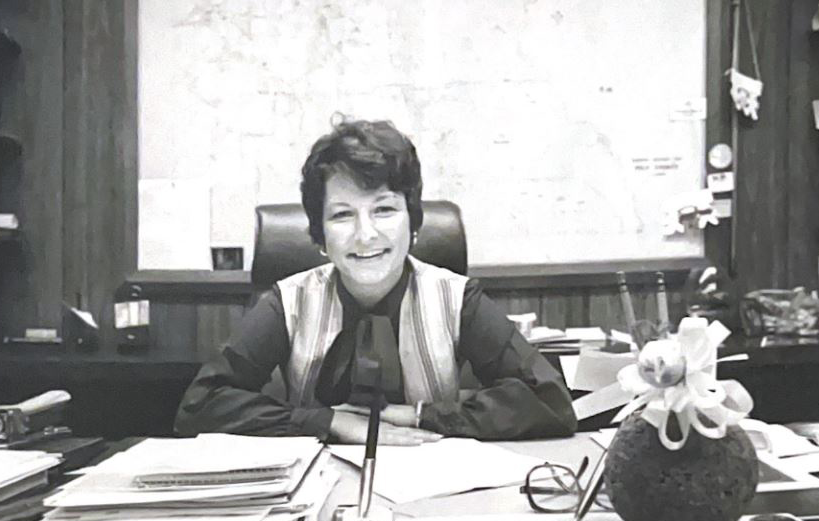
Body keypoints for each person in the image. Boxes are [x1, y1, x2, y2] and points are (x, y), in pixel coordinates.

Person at [175, 119, 577, 445]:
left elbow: (550, 400)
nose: (365, 235)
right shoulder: (288, 301)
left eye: (384, 209)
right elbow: (199, 405)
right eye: (342, 215)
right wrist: (329, 422)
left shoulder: (456, 297)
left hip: (431, 481)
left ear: (412, 223)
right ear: (319, 236)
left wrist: (418, 415)